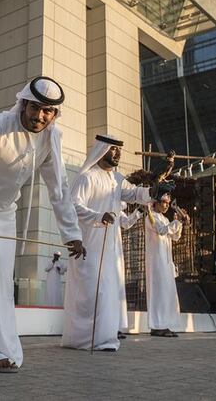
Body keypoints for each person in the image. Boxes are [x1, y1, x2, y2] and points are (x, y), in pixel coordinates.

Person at [0, 77, 85, 373]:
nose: (40, 117)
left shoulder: (52, 137)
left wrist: (71, 233)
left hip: (5, 214)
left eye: (48, 112)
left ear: (54, 114)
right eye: (35, 108)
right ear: (24, 104)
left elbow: (59, 188)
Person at [62, 134, 151, 350]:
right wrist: (97, 215)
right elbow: (73, 205)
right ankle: (83, 338)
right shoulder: (88, 177)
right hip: (90, 244)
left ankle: (104, 338)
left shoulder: (117, 180)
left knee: (108, 290)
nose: (117, 153)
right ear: (102, 150)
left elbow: (135, 194)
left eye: (119, 150)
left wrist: (154, 191)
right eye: (113, 149)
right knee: (93, 290)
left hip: (111, 247)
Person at [143, 187, 187, 337]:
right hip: (156, 261)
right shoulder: (151, 216)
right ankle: (157, 325)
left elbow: (175, 237)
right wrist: (177, 222)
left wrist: (178, 222)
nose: (167, 205)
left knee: (167, 294)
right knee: (158, 293)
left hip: (166, 261)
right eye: (164, 202)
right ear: (155, 202)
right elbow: (162, 230)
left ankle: (165, 324)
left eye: (168, 202)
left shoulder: (165, 219)